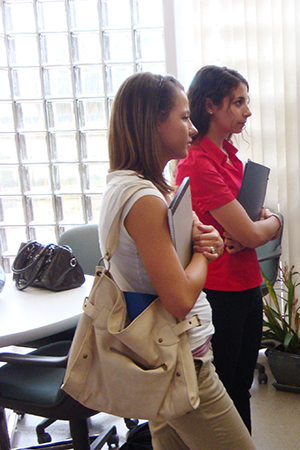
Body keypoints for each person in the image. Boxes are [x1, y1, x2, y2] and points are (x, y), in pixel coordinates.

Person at [100, 72, 255, 449]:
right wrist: (205, 250)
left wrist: (197, 241)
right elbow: (180, 298)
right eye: (184, 118)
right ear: (153, 122)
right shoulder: (144, 199)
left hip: (164, 360)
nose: (192, 127)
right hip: (181, 366)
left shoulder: (134, 185)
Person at [175, 65, 282, 434]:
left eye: (246, 102)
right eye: (238, 103)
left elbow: (255, 223)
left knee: (240, 388)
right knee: (225, 390)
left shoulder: (230, 157)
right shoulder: (198, 165)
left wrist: (268, 223)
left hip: (246, 283)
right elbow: (252, 233)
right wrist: (274, 224)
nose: (247, 112)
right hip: (220, 291)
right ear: (210, 106)